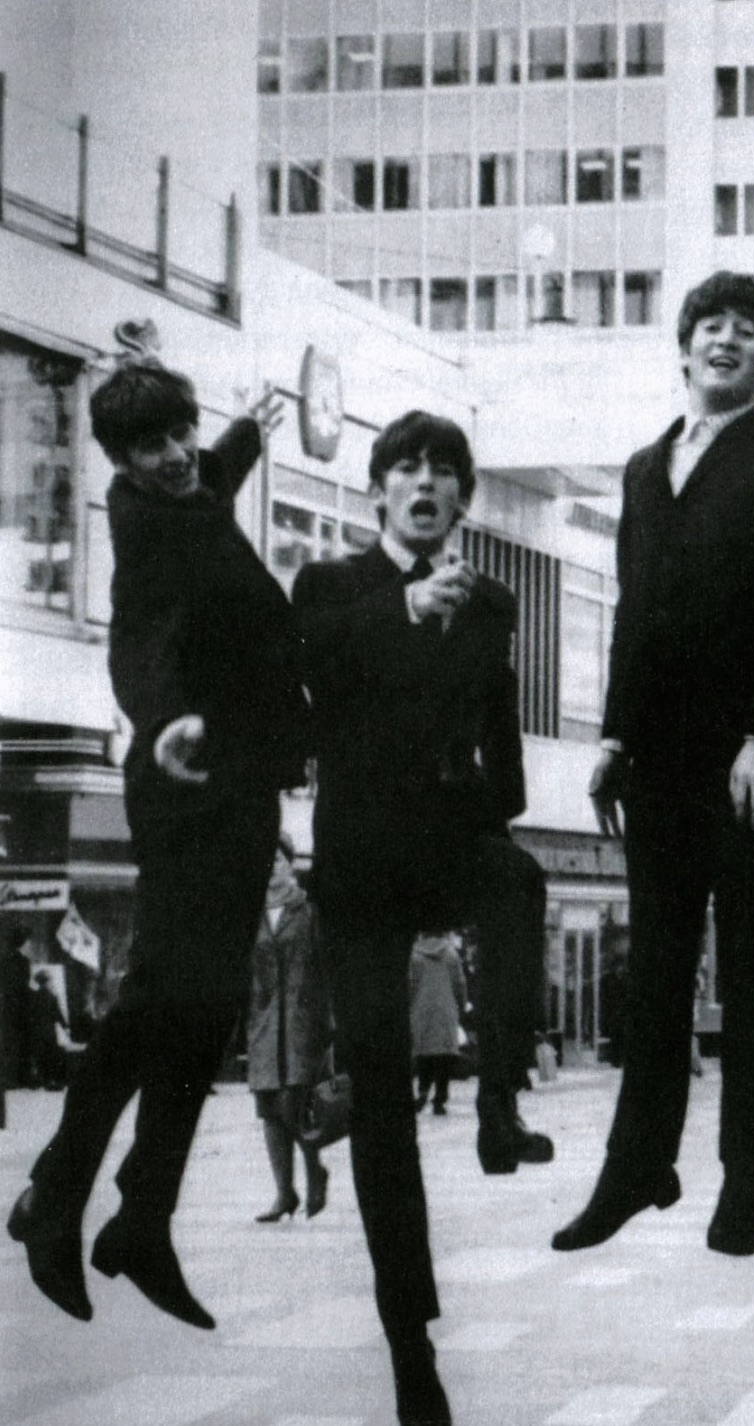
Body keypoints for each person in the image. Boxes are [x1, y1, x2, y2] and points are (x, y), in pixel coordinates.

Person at [8, 344, 307, 1328]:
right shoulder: (148, 529)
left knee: (204, 1005)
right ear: (119, 460)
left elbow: (213, 468)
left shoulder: (188, 491)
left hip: (240, 783)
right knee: (156, 1002)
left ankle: (142, 1216)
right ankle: (61, 1193)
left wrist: (248, 429)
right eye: (151, 445)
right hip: (190, 781)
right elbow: (135, 641)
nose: (176, 454)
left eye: (181, 432)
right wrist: (166, 715)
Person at [552, 271, 754, 1258]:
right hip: (656, 761)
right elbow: (631, 612)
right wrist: (611, 738)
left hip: (745, 758)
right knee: (655, 969)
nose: (726, 340)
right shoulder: (643, 469)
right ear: (683, 349)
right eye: (710, 326)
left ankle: (743, 1183)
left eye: (747, 331)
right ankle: (639, 1166)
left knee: (751, 963)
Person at [294, 410, 552, 1426]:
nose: (427, 482)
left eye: (446, 470)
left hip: (446, 840)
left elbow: (502, 733)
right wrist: (404, 610)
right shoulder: (331, 587)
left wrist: (491, 804)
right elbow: (317, 670)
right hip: (361, 859)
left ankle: (498, 1108)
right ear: (379, 493)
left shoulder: (489, 603)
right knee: (381, 1103)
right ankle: (411, 1344)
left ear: (462, 500)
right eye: (408, 468)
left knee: (518, 880)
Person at [247, 834, 331, 1221]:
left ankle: (314, 1171)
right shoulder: (252, 912)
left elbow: (326, 964)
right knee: (268, 1107)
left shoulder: (308, 909)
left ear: (290, 864)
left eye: (277, 861)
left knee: (294, 1104)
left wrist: (329, 1019)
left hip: (302, 1018)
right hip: (264, 1021)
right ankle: (284, 1193)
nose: (270, 870)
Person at [409, 932, 468, 1116]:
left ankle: (423, 1089)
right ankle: (440, 1099)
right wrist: (461, 1005)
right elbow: (460, 983)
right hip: (446, 1009)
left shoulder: (414, 955)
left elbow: (409, 984)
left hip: (421, 1010)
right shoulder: (451, 953)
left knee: (424, 1054)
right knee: (444, 1055)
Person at [2, 927, 34, 1091]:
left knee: (9, 1042)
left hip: (7, 1007)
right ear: (23, 943)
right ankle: (22, 1078)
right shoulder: (24, 962)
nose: (30, 945)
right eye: (28, 942)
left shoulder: (4, 960)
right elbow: (24, 986)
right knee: (23, 1042)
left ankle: (9, 1078)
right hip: (21, 1007)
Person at [29, 971, 69, 1092]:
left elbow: (30, 1016)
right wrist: (65, 1027)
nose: (51, 983)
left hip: (37, 1031)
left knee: (40, 1055)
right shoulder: (52, 996)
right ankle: (50, 1081)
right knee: (50, 1055)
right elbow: (57, 1014)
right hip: (49, 1032)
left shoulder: (34, 997)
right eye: (49, 981)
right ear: (46, 982)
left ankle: (41, 1080)